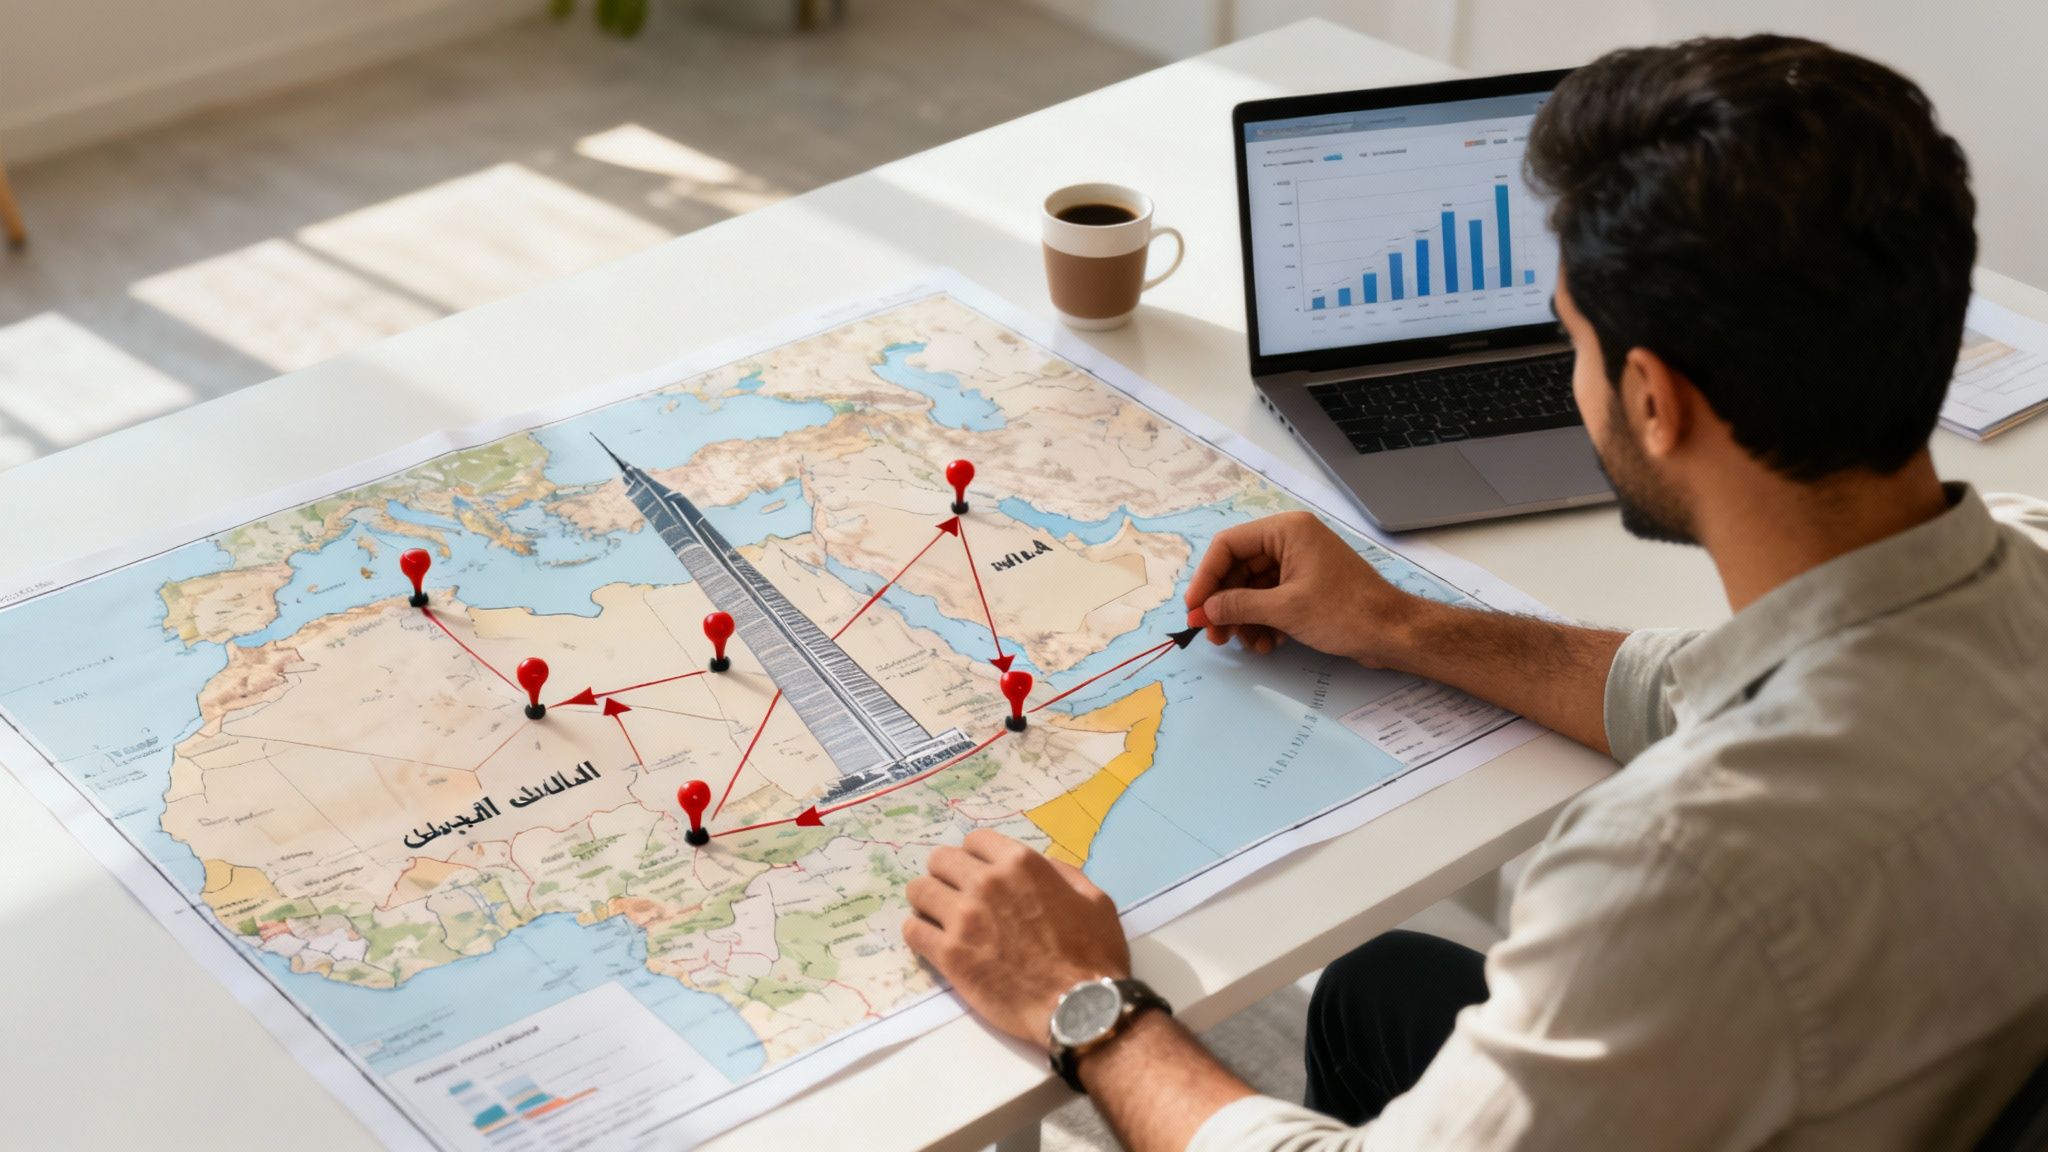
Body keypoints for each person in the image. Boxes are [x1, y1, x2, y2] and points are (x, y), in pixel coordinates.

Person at [902, 34, 2048, 1151]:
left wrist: (1084, 1002)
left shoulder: (1676, 876)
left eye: (1571, 340)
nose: (1569, 375)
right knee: (1380, 988)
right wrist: (1400, 624)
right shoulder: (2020, 557)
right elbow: (1706, 688)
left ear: (1650, 399)